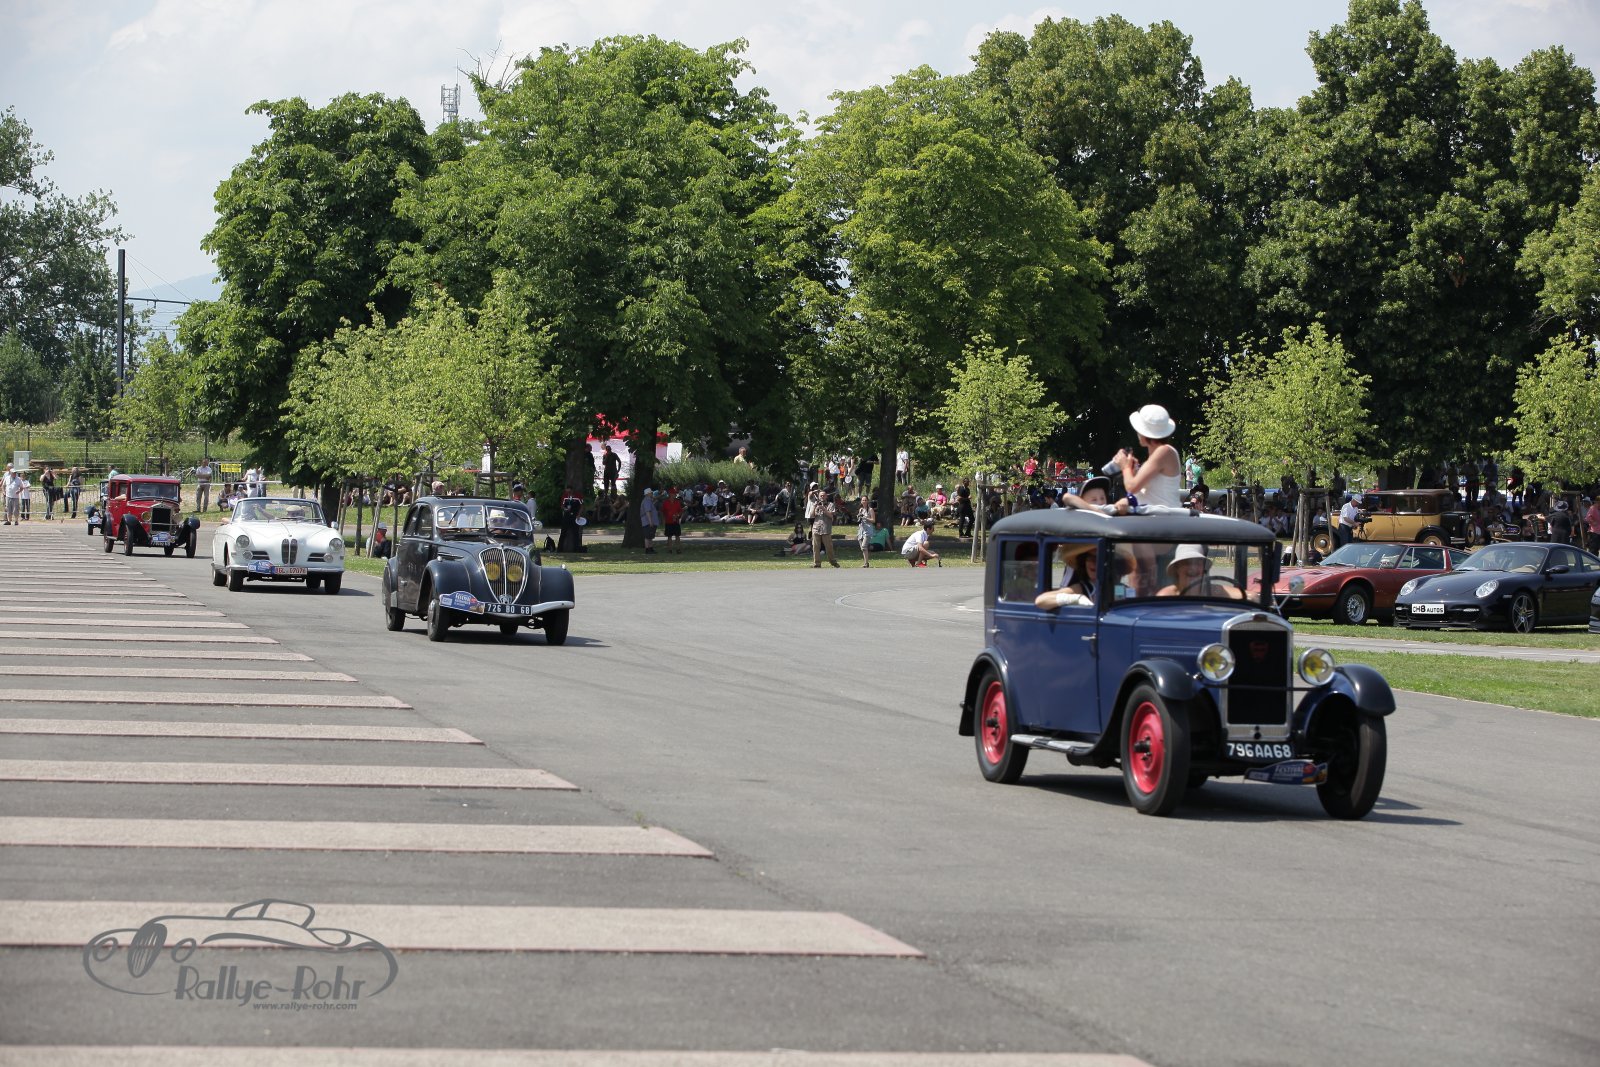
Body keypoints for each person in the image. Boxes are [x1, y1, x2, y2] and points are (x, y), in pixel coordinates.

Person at [1158, 543, 1245, 599]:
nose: (1193, 567)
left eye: (1197, 562)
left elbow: (1247, 596)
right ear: (1177, 568)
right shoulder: (1167, 595)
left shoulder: (1211, 590)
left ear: (1203, 567)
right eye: (1186, 562)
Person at [1035, 542, 1097, 609]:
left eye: (1098, 558)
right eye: (1089, 557)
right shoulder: (1083, 588)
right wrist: (1075, 598)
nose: (1092, 562)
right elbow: (1040, 600)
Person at [808, 487, 839, 568]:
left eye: (823, 495)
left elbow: (831, 516)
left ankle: (833, 562)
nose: (822, 497)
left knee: (829, 548)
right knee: (815, 547)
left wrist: (824, 509)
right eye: (820, 496)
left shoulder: (830, 505)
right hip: (816, 528)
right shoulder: (816, 504)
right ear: (818, 497)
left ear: (826, 496)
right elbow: (811, 515)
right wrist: (814, 507)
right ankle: (817, 563)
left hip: (826, 529)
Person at [659, 485, 684, 553]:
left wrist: (678, 515)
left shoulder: (677, 502)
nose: (675, 495)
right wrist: (663, 520)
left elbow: (680, 511)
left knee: (677, 536)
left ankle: (678, 549)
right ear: (670, 494)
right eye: (673, 494)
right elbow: (662, 512)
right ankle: (669, 549)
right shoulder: (665, 503)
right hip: (668, 522)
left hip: (676, 522)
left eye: (675, 494)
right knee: (669, 536)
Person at [855, 494, 875, 567]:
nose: (864, 501)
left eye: (865, 500)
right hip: (861, 529)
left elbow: (873, 520)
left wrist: (865, 518)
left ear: (868, 501)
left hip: (868, 530)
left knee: (864, 546)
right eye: (863, 500)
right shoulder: (861, 509)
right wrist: (859, 517)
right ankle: (866, 563)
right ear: (861, 501)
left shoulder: (870, 509)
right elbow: (859, 520)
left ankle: (866, 563)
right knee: (863, 548)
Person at [639, 488, 660, 554]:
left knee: (650, 536)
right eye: (651, 492)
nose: (652, 493)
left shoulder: (648, 500)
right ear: (648, 493)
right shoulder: (647, 501)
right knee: (648, 536)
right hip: (648, 522)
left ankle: (650, 548)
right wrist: (650, 521)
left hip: (649, 521)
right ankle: (647, 549)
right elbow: (648, 511)